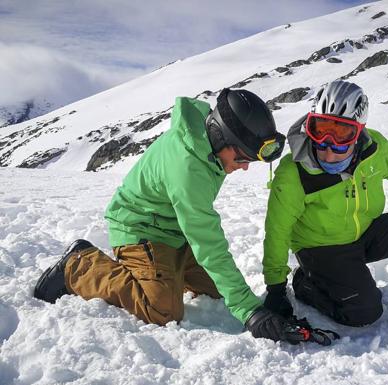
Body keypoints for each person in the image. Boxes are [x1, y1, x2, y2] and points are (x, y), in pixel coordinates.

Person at [34, 88, 311, 343]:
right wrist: (250, 311)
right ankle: (80, 265)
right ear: (220, 136)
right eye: (241, 159)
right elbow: (208, 242)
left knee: (218, 294)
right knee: (162, 309)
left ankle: (170, 269)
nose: (244, 168)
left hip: (175, 231)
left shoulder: (210, 146)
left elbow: (199, 232)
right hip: (139, 228)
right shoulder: (188, 166)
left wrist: (243, 302)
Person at [262, 80, 388, 346]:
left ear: (359, 132)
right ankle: (306, 284)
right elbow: (277, 232)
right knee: (364, 313)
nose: (328, 146)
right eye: (321, 130)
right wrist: (276, 288)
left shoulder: (376, 149)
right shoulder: (293, 173)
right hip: (321, 247)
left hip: (365, 233)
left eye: (342, 134)